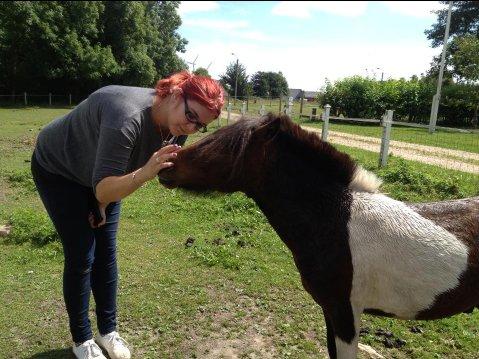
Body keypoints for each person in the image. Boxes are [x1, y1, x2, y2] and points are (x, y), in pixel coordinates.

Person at [31, 71, 224, 359]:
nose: (192, 127)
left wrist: (102, 205)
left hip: (104, 176)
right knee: (82, 254)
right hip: (60, 169)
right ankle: (82, 340)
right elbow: (104, 189)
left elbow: (108, 190)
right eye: (192, 115)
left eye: (201, 125)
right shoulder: (127, 119)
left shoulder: (178, 126)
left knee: (106, 252)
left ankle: (107, 332)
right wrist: (141, 175)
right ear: (175, 93)